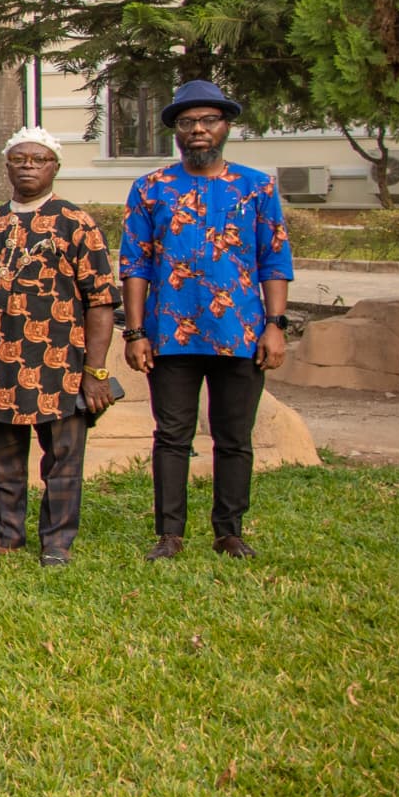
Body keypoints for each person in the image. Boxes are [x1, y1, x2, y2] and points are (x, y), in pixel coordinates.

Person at [119, 79, 292, 560]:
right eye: (188, 122)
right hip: (170, 336)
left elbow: (274, 259)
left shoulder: (257, 186)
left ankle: (229, 531)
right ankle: (169, 534)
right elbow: (135, 263)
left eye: (208, 121)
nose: (198, 130)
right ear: (176, 130)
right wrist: (134, 333)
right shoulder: (152, 188)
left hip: (241, 334)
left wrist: (275, 325)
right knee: (171, 438)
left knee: (234, 439)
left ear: (225, 127)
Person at [0, 126, 116, 565]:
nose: (29, 166)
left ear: (55, 167)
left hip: (60, 362)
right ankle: (6, 533)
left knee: (63, 461)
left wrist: (95, 370)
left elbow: (101, 300)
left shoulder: (76, 223)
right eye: (19, 159)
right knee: (2, 461)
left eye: (39, 160)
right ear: (6, 165)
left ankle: (57, 543)